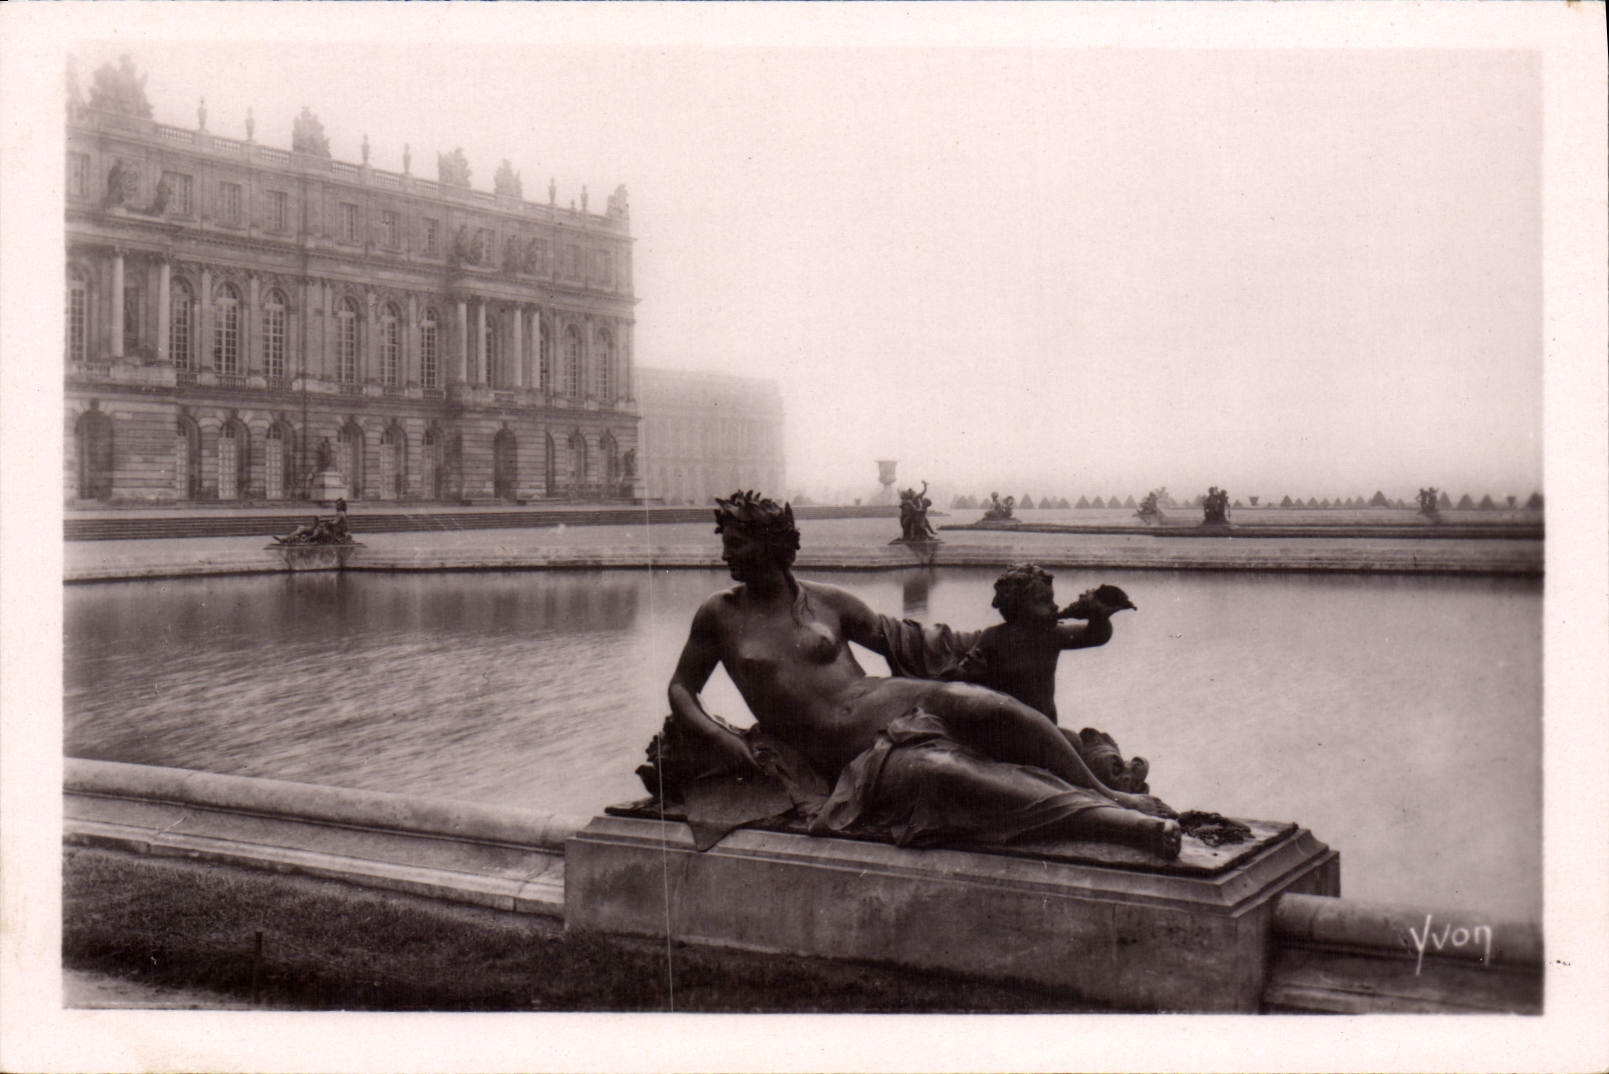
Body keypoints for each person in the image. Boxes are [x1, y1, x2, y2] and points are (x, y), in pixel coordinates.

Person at [666, 491, 1180, 857]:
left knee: (986, 705)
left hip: (892, 698)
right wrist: (719, 737)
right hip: (847, 751)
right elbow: (682, 688)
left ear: (773, 544)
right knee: (946, 773)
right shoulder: (719, 614)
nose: (726, 553)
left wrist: (1010, 637)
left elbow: (911, 640)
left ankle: (1109, 793)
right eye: (726, 541)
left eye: (738, 542)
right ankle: (1118, 824)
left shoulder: (827, 599)